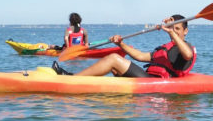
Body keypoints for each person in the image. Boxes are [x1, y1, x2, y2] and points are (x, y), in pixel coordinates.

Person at [52, 14, 196, 78]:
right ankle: (80, 79)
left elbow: (188, 55)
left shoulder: (186, 47)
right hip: (148, 77)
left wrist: (171, 32)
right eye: (173, 28)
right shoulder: (167, 48)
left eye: (178, 29)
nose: (174, 32)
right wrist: (120, 44)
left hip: (159, 82)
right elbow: (140, 56)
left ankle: (73, 78)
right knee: (115, 68)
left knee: (114, 59)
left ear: (186, 31)